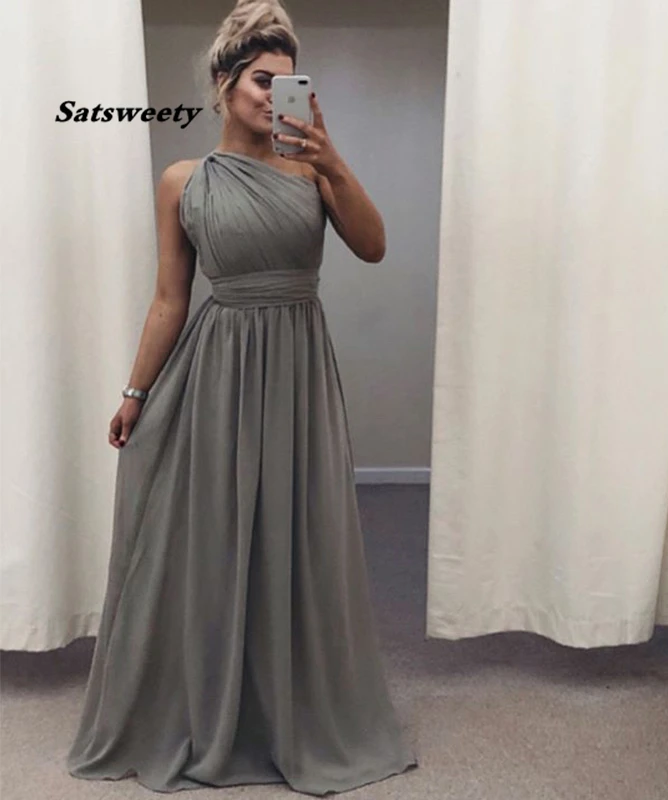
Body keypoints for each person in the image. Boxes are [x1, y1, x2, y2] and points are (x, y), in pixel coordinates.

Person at [65, 0, 419, 795]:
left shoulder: (311, 170)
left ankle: (290, 708)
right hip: (217, 371)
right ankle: (213, 703)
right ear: (224, 83)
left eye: (289, 83)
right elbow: (170, 299)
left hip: (297, 370)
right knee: (215, 535)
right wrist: (134, 393)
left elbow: (373, 246)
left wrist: (333, 161)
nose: (275, 95)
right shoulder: (182, 181)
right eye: (262, 80)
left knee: (298, 533)